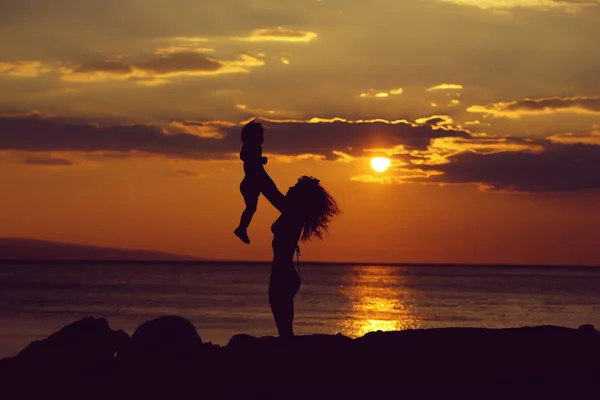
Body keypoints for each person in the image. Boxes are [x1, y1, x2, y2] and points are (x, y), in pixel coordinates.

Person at [262, 175, 341, 338]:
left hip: (283, 274)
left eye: (294, 187)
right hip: (284, 273)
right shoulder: (291, 213)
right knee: (283, 325)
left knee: (284, 328)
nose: (290, 188)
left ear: (300, 196)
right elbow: (270, 190)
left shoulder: (292, 213)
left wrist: (257, 170)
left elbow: (270, 191)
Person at [234, 119, 269, 244]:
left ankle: (241, 228)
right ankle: (241, 228)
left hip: (251, 183)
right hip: (250, 183)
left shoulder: (254, 148)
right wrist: (260, 160)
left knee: (251, 208)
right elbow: (249, 161)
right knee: (251, 208)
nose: (261, 137)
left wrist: (260, 160)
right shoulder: (249, 148)